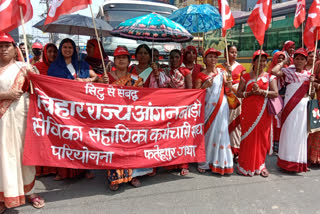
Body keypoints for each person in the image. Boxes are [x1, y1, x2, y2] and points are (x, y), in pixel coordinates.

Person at [0, 32, 45, 213]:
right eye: (0, 47)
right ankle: (4, 195)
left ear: (14, 49)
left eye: (7, 46)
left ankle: (30, 192)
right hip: (2, 119)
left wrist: (34, 74)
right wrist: (5, 95)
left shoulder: (23, 67)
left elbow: (40, 87)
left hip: (21, 116)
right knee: (3, 157)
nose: (3, 49)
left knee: (23, 154)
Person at [48, 38, 98, 180]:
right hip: (62, 107)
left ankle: (86, 169)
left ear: (74, 50)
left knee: (82, 138)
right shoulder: (54, 67)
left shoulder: (82, 64)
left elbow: (96, 77)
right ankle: (62, 171)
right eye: (65, 47)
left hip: (80, 107)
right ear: (61, 49)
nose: (67, 50)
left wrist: (86, 80)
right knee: (63, 138)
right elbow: (49, 85)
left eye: (70, 47)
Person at [104, 47, 153, 191]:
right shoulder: (107, 77)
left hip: (130, 118)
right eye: (118, 57)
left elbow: (141, 98)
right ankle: (114, 178)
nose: (121, 60)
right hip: (113, 117)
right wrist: (103, 83)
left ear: (128, 61)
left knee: (131, 147)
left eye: (124, 57)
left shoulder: (135, 79)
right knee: (114, 148)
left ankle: (132, 176)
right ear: (114, 60)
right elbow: (99, 97)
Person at [236, 50, 278, 177]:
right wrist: (249, 94)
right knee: (247, 137)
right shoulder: (246, 77)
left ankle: (260, 164)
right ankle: (244, 165)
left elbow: (275, 93)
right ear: (253, 62)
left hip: (263, 112)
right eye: (259, 60)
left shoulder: (270, 77)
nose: (262, 63)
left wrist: (261, 92)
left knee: (261, 138)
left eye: (264, 60)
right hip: (248, 112)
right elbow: (238, 93)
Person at [273, 48, 315, 173]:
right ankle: (285, 161)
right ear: (294, 60)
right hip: (290, 108)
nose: (299, 61)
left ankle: (298, 163)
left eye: (302, 59)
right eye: (297, 58)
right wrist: (284, 61)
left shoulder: (309, 75)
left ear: (306, 61)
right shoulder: (288, 71)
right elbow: (274, 71)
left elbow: (311, 94)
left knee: (300, 135)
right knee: (288, 133)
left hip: (302, 108)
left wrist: (311, 84)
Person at [195, 48, 234, 175]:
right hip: (207, 109)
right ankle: (205, 162)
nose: (213, 59)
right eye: (210, 57)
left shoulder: (222, 72)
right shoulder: (201, 75)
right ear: (205, 59)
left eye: (215, 57)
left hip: (222, 107)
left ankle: (221, 162)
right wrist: (204, 86)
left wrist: (229, 75)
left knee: (221, 133)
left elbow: (228, 87)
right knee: (207, 134)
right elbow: (195, 94)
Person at [162, 49, 192, 175]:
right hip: (168, 106)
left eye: (176, 57)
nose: (174, 60)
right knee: (169, 135)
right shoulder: (165, 72)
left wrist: (175, 90)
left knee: (182, 136)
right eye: (171, 57)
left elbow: (190, 91)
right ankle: (170, 163)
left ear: (181, 58)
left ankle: (183, 164)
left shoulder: (186, 72)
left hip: (182, 107)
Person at [216, 45, 246, 157]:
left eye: (235, 52)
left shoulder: (241, 67)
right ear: (225, 54)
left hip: (236, 99)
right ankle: (223, 147)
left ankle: (235, 150)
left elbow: (243, 84)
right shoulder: (219, 67)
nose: (234, 54)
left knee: (236, 124)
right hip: (224, 98)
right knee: (223, 122)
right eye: (231, 52)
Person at [267, 51, 286, 153]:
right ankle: (272, 144)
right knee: (274, 122)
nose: (280, 60)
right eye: (279, 58)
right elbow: (274, 73)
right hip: (274, 99)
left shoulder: (286, 70)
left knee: (280, 122)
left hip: (283, 98)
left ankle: (278, 144)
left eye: (282, 59)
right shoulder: (270, 71)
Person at [308, 58, 320, 165]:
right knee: (317, 128)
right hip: (319, 99)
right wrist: (317, 85)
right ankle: (314, 157)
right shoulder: (318, 64)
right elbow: (313, 81)